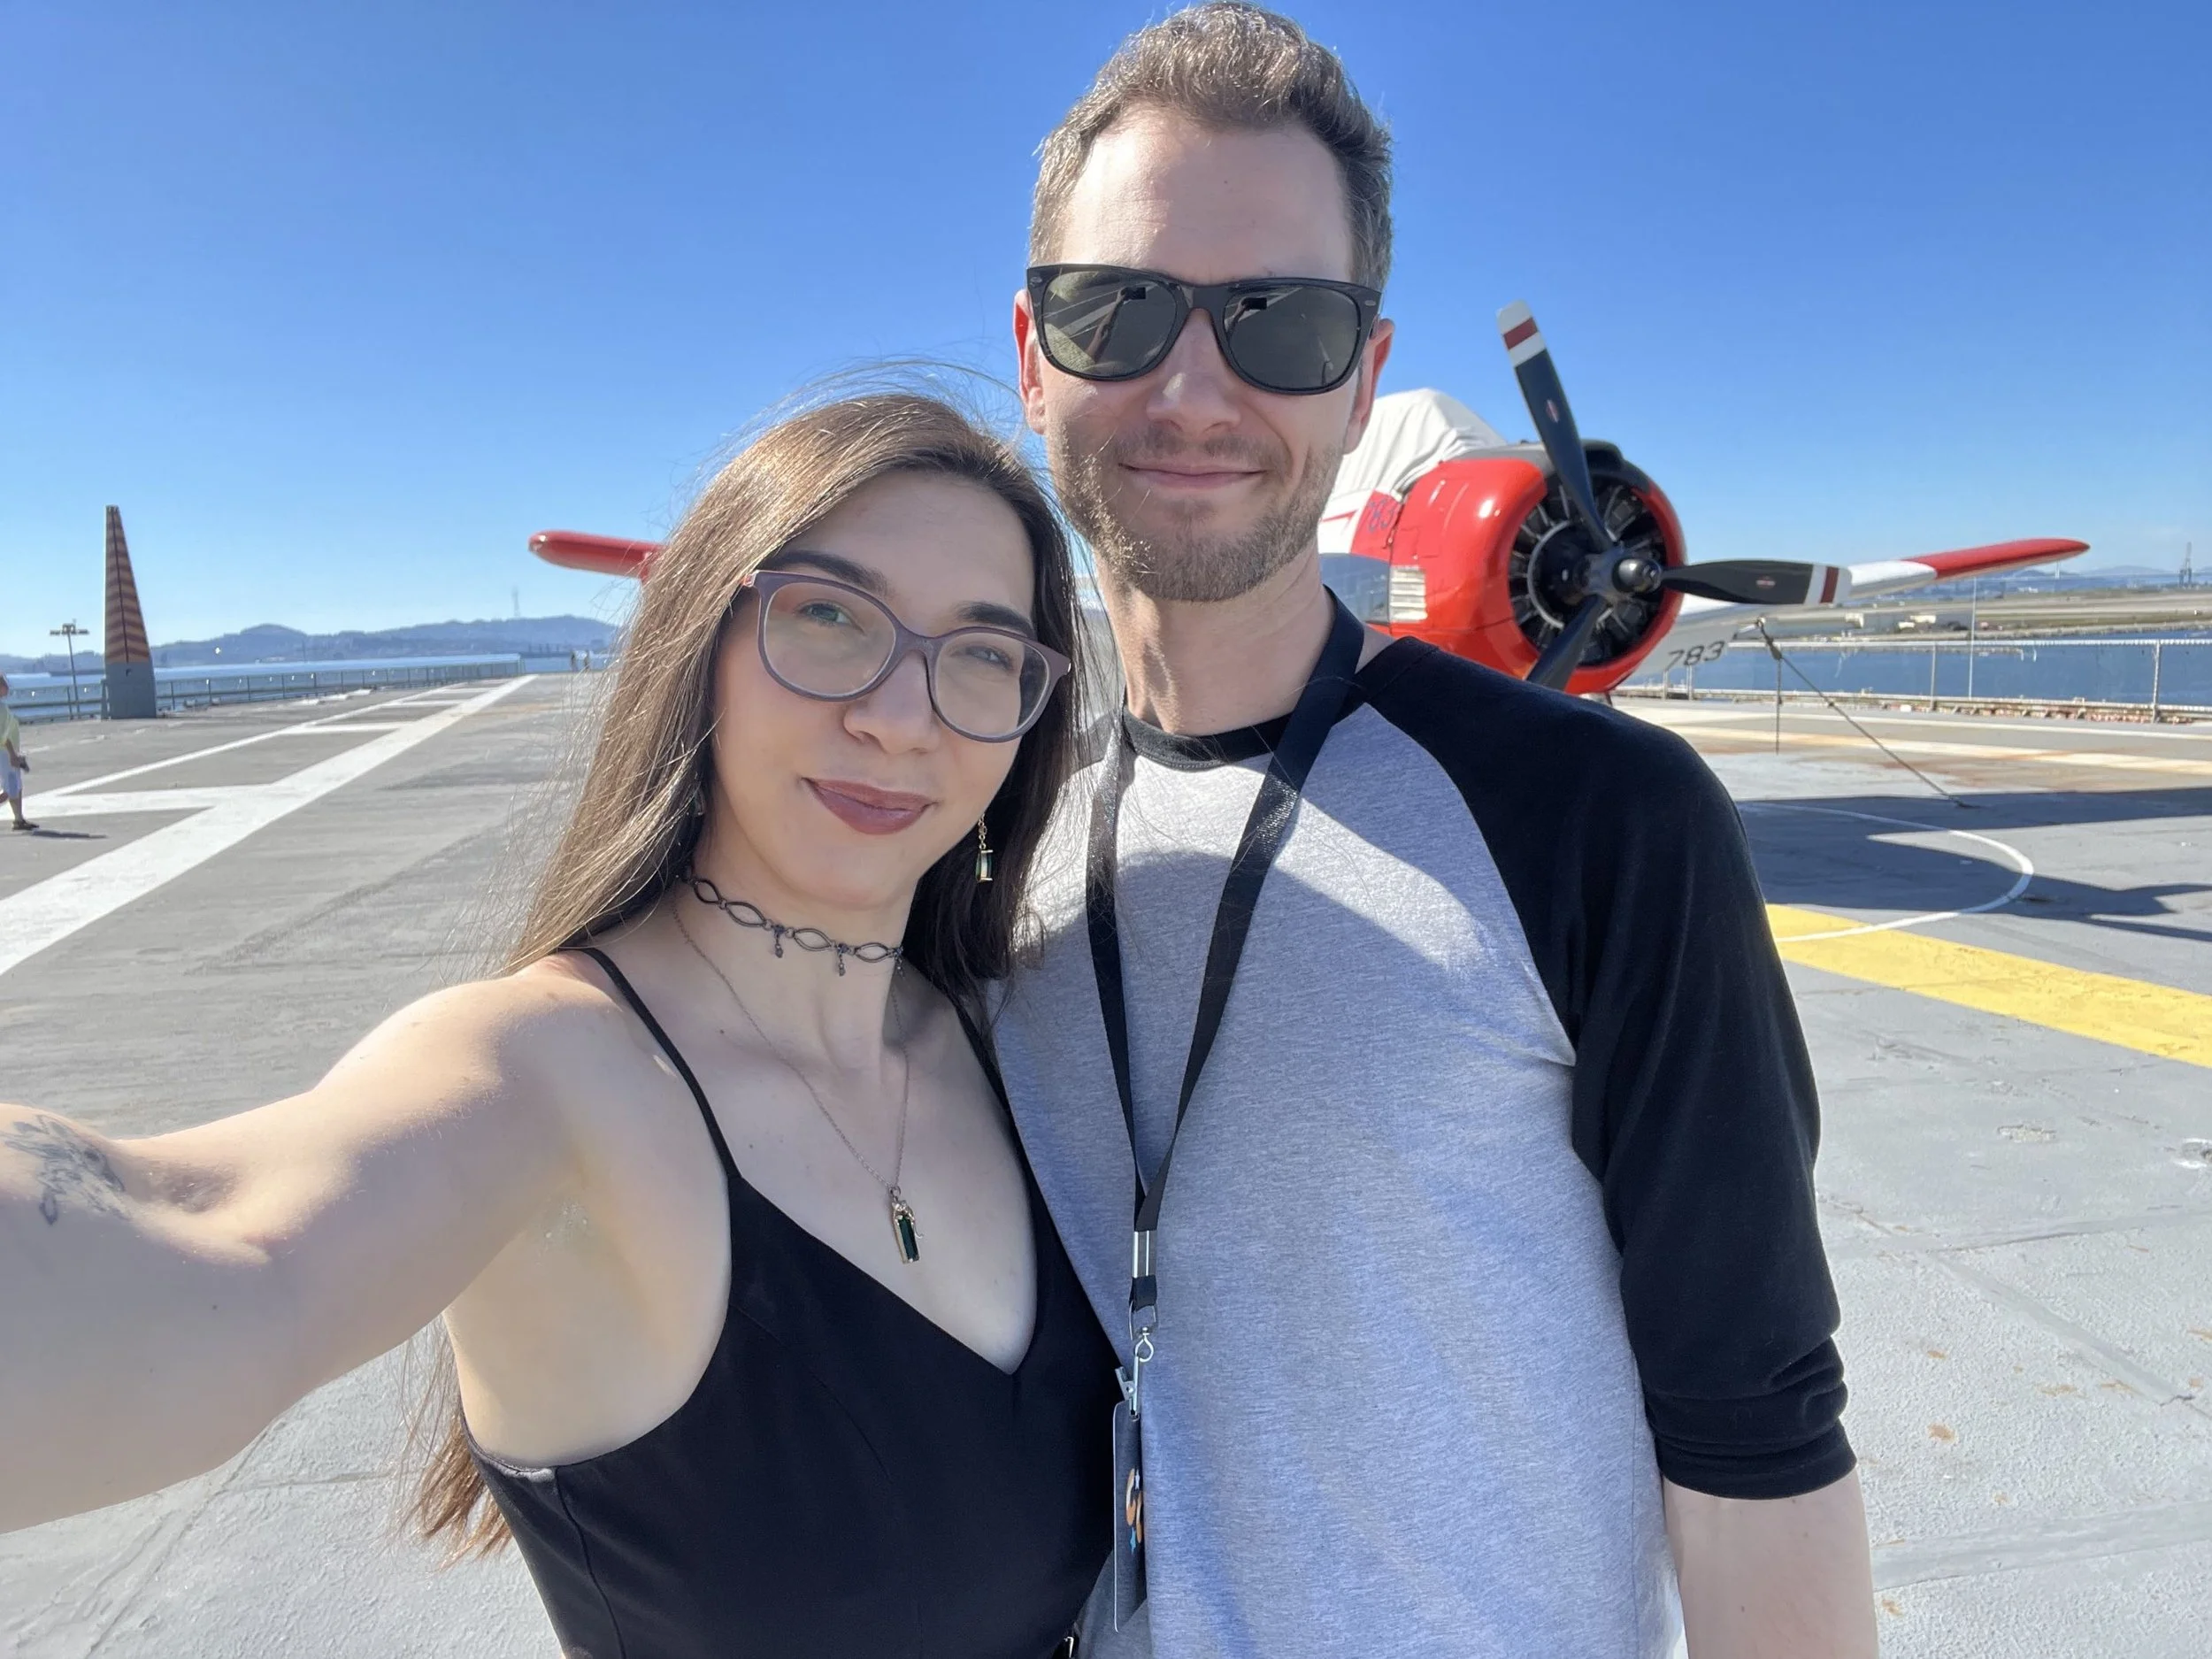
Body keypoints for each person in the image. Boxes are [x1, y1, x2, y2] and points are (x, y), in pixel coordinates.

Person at [991, 7, 1879, 1657]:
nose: (1196, 384)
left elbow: (1762, 1442)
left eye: (1285, 322)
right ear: (1035, 353)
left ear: (1365, 377)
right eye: (1119, 309)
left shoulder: (1609, 823)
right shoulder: (975, 817)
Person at [0, 394, 1118, 1658]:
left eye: (980, 652)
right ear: (701, 635)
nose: (901, 715)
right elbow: (213, 1238)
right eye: (826, 613)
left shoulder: (1015, 1039)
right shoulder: (547, 1073)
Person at [0, 673, 35, 832]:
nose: (7, 687)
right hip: (5, 753)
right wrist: (13, 755)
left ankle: (18, 819)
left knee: (16, 787)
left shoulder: (2, 706)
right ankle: (18, 819)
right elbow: (3, 736)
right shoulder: (0, 708)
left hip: (8, 752)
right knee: (11, 789)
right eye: (4, 684)